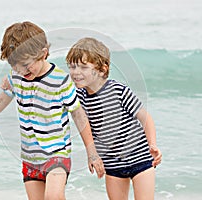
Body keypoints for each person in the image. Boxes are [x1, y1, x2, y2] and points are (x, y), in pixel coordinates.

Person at [0, 22, 105, 200]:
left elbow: (78, 115)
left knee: (53, 197)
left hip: (57, 154)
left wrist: (91, 153)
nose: (22, 71)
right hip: (30, 158)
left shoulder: (60, 81)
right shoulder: (16, 78)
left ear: (43, 53)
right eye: (15, 66)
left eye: (26, 64)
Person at [66, 37, 162, 200]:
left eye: (83, 67)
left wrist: (152, 144)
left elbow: (145, 118)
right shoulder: (79, 98)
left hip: (141, 159)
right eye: (72, 66)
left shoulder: (118, 91)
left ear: (102, 70)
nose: (76, 72)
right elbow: (84, 127)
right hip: (112, 165)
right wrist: (92, 154)